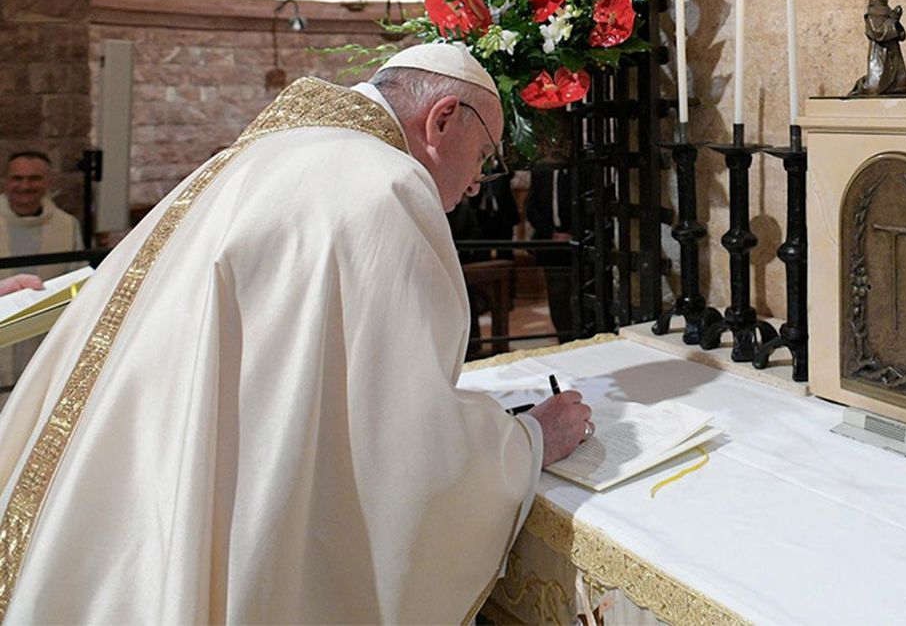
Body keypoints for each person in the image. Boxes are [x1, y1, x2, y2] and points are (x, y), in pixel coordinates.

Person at [0, 43, 592, 622]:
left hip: (131, 485)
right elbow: (402, 435)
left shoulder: (261, 154)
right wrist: (529, 440)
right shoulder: (385, 185)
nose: (477, 182)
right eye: (485, 154)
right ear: (442, 119)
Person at [0, 152, 84, 282]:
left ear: (48, 182)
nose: (25, 186)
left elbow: (77, 276)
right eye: (17, 178)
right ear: (5, 181)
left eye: (34, 178)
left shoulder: (68, 224)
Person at [849, 0, 906, 96]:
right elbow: (876, 32)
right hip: (879, 51)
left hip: (893, 51)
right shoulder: (872, 8)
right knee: (875, 87)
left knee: (900, 86)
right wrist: (892, 20)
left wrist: (896, 21)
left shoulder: (888, 10)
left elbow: (900, 35)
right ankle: (861, 86)